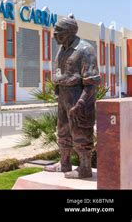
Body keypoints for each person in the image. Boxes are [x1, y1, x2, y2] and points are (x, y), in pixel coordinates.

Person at [44, 13, 100, 179]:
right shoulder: (61, 50)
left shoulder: (85, 50)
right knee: (62, 131)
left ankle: (85, 168)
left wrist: (81, 104)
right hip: (63, 97)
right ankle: (64, 163)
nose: (54, 35)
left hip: (79, 98)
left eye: (57, 31)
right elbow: (59, 72)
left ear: (69, 32)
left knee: (81, 132)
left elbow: (92, 82)